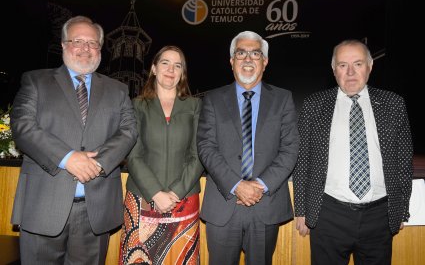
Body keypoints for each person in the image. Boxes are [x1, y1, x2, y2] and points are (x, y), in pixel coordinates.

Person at [10, 15, 138, 264]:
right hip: (42, 208)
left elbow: (129, 131)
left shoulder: (118, 90)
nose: (85, 49)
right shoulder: (35, 81)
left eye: (92, 43)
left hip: (95, 213)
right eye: (77, 41)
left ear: (100, 49)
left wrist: (97, 163)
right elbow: (22, 127)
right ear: (63, 45)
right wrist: (67, 158)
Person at [293, 39, 413, 265]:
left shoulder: (393, 104)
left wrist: (401, 209)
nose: (350, 72)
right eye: (342, 65)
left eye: (357, 64)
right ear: (333, 69)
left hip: (380, 216)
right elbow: (302, 161)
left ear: (369, 66)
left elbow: (403, 161)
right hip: (328, 215)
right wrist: (301, 209)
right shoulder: (315, 104)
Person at [197, 31, 300, 265]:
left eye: (255, 53)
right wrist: (237, 185)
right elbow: (206, 146)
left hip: (266, 205)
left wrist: (259, 187)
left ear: (265, 62)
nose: (247, 59)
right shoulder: (213, 99)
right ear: (232, 61)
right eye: (241, 53)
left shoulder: (283, 99)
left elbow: (290, 148)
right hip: (224, 205)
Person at [119, 45, 204, 265]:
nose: (171, 69)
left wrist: (175, 192)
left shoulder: (195, 106)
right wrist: (155, 193)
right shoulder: (137, 105)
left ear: (182, 73)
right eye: (165, 63)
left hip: (183, 200)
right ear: (154, 68)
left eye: (178, 65)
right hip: (143, 199)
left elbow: (198, 155)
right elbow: (133, 155)